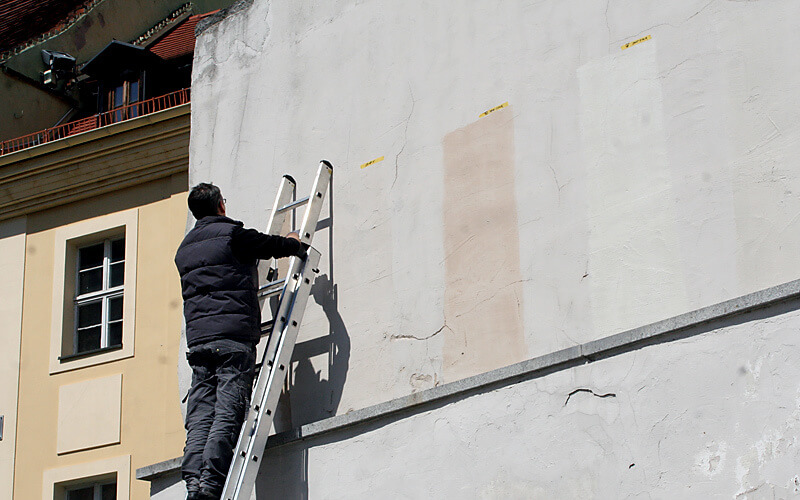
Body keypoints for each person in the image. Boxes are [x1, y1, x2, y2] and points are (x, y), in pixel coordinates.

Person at [175, 183, 305, 499]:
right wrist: (293, 244)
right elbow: (266, 245)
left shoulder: (185, 249)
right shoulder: (231, 236)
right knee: (227, 413)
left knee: (200, 417)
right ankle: (209, 487)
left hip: (200, 343)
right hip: (232, 340)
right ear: (220, 205)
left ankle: (193, 484)